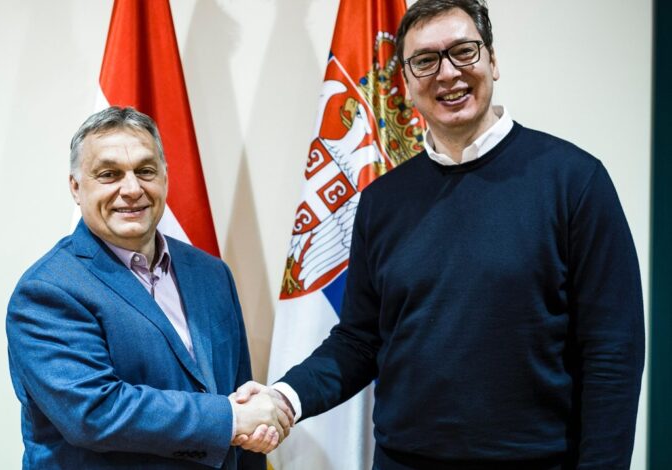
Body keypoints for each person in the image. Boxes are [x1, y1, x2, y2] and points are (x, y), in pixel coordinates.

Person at [234, 0, 645, 468]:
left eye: (464, 52)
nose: (447, 73)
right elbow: (359, 341)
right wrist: (284, 398)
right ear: (407, 83)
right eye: (425, 61)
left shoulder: (575, 182)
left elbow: (613, 352)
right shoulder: (381, 201)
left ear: (493, 60)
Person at [6, 106, 292, 469]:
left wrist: (249, 422)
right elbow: (95, 412)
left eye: (145, 171)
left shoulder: (212, 274)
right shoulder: (47, 291)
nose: (132, 189)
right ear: (76, 187)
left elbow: (238, 397)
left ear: (165, 177)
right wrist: (230, 418)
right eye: (109, 174)